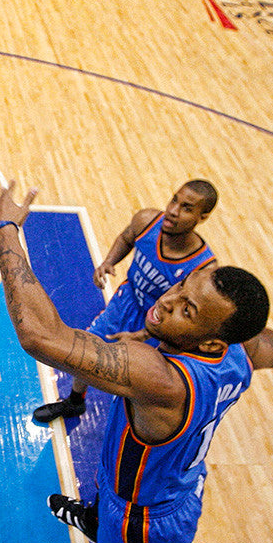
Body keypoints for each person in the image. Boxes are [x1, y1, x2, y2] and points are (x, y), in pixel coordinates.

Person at [0, 182, 273, 543]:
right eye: (182, 287)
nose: (167, 301)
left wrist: (6, 231)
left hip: (143, 518)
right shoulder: (245, 352)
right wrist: (151, 336)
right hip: (166, 476)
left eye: (187, 310)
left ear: (209, 340)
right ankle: (92, 517)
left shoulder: (160, 379)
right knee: (111, 476)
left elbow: (41, 336)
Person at [34, 180, 218, 423]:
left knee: (139, 384)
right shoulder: (147, 221)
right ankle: (75, 402)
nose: (173, 210)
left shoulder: (202, 270)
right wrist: (109, 261)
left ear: (202, 217)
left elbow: (187, 320)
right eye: (174, 199)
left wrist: (142, 335)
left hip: (160, 326)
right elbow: (126, 238)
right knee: (86, 352)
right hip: (125, 303)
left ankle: (130, 426)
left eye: (186, 207)